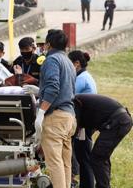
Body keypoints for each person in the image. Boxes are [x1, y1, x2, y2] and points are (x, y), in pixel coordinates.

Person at [35, 29, 77, 188]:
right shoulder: (67, 61)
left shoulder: (51, 60)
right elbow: (66, 88)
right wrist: (39, 91)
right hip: (69, 117)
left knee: (54, 163)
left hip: (56, 118)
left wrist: (41, 112)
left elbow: (53, 87)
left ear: (48, 44)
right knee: (65, 162)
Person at [73, 94, 132, 188]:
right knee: (100, 156)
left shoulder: (74, 102)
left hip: (117, 122)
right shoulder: (81, 103)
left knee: (98, 157)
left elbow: (73, 129)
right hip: (119, 120)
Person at [68, 50, 97, 188]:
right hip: (85, 121)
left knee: (84, 157)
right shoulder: (84, 76)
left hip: (85, 123)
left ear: (77, 64)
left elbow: (68, 95)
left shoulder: (82, 78)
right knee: (82, 155)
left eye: (69, 64)